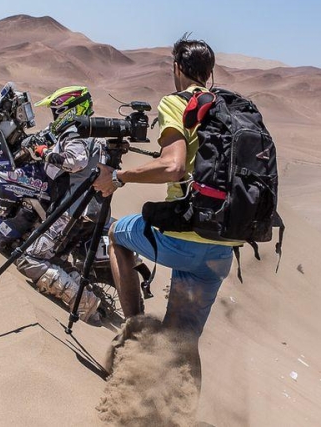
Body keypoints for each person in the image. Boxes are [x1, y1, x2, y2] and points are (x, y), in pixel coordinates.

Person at [94, 36, 234, 382]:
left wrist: (120, 177)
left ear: (177, 69)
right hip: (222, 246)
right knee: (183, 342)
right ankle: (180, 413)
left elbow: (172, 167)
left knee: (116, 235)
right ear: (210, 72)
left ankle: (135, 331)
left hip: (183, 238)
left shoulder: (177, 103)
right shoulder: (228, 109)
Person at [13, 85, 104, 323]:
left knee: (28, 259)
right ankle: (91, 303)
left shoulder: (74, 134)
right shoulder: (94, 133)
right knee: (56, 258)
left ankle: (84, 302)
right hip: (90, 211)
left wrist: (45, 153)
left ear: (70, 110)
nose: (54, 116)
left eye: (57, 111)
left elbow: (75, 161)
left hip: (72, 211)